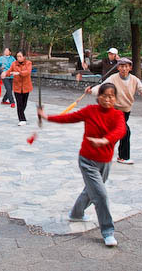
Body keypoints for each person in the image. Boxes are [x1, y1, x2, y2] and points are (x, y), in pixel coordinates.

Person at [38, 83, 126, 247]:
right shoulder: (90, 111)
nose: (108, 99)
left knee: (91, 190)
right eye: (105, 95)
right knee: (100, 195)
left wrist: (105, 140)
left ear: (115, 98)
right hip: (87, 160)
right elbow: (69, 118)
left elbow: (120, 130)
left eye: (111, 96)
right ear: (98, 96)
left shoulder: (117, 115)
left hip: (105, 162)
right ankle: (108, 231)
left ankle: (76, 213)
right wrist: (47, 117)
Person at [85, 57, 142, 165]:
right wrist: (92, 90)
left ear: (130, 68)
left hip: (126, 110)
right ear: (118, 67)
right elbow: (102, 87)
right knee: (125, 131)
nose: (124, 68)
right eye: (121, 66)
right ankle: (123, 157)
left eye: (126, 66)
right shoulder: (113, 78)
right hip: (114, 110)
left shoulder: (134, 79)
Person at [3, 50, 33, 126]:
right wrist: (5, 74)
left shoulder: (28, 63)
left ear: (24, 57)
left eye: (20, 56)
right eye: (17, 56)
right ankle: (22, 119)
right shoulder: (14, 64)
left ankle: (21, 114)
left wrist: (19, 73)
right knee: (19, 103)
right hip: (17, 87)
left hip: (26, 86)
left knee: (24, 104)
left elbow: (27, 72)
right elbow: (9, 71)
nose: (18, 58)